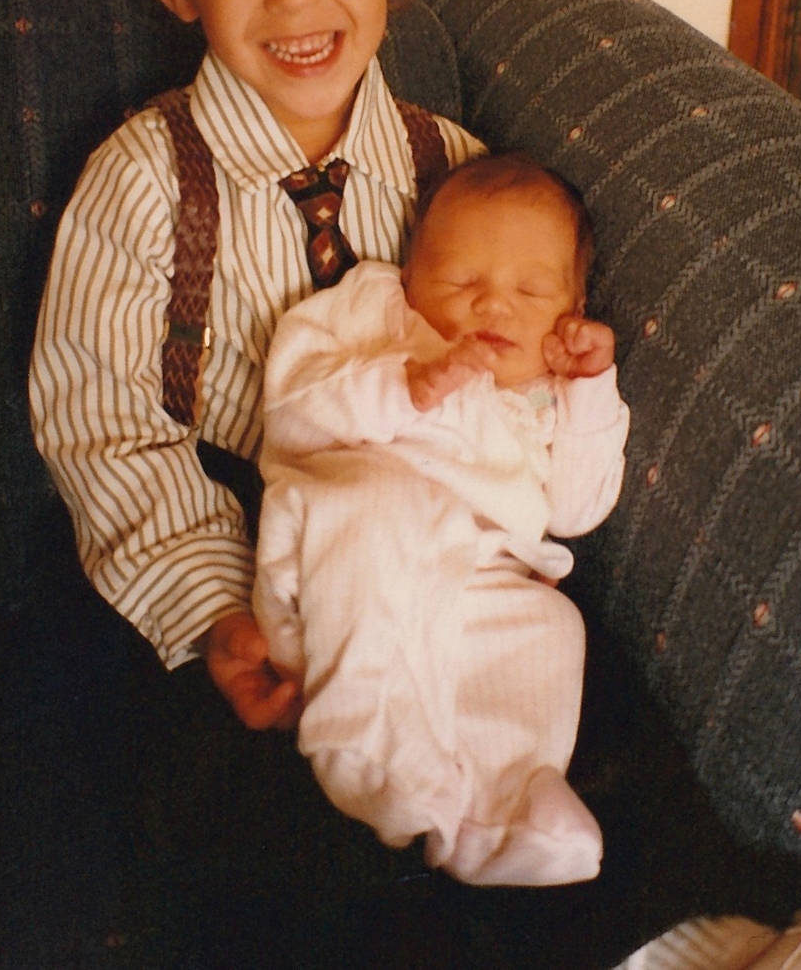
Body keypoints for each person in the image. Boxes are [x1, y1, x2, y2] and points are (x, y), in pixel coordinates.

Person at [29, 0, 482, 745]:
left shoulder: (455, 170)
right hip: (230, 543)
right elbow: (100, 425)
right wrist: (221, 609)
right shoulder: (143, 181)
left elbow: (508, 354)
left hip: (430, 556)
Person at [253, 153, 630, 888]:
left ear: (573, 308)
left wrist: (590, 386)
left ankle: (496, 810)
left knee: (552, 627)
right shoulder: (371, 315)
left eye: (530, 290)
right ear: (408, 276)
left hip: (479, 583)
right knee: (380, 506)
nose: (493, 306)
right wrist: (404, 388)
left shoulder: (549, 392)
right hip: (346, 547)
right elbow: (292, 409)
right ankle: (364, 747)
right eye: (460, 281)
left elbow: (576, 511)